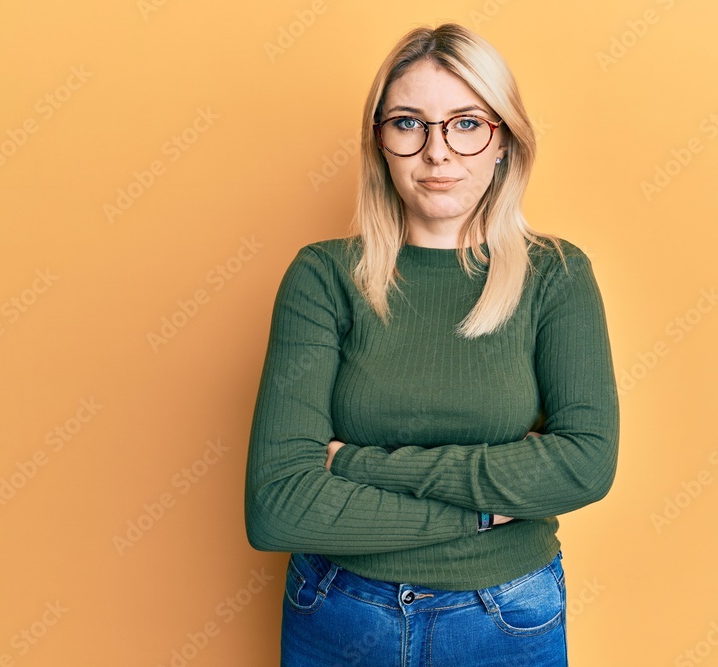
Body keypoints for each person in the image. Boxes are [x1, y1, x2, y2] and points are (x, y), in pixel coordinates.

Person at [244, 21, 619, 666]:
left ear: (504, 140)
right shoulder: (324, 276)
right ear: (380, 143)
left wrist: (354, 463)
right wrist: (479, 513)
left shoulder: (555, 274)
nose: (437, 153)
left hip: (505, 616)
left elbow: (584, 464)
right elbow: (278, 507)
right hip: (338, 611)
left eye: (467, 123)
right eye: (409, 123)